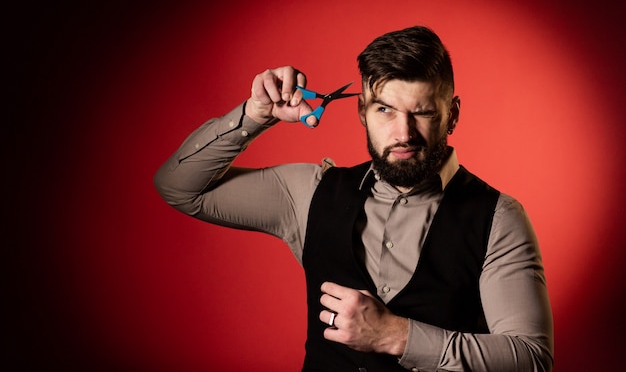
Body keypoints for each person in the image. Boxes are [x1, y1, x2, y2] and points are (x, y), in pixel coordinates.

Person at [154, 26, 554, 371]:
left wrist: (396, 335)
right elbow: (178, 185)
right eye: (384, 109)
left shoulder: (498, 217)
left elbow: (531, 358)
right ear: (361, 112)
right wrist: (256, 115)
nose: (403, 133)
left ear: (452, 114)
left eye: (423, 112)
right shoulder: (309, 193)